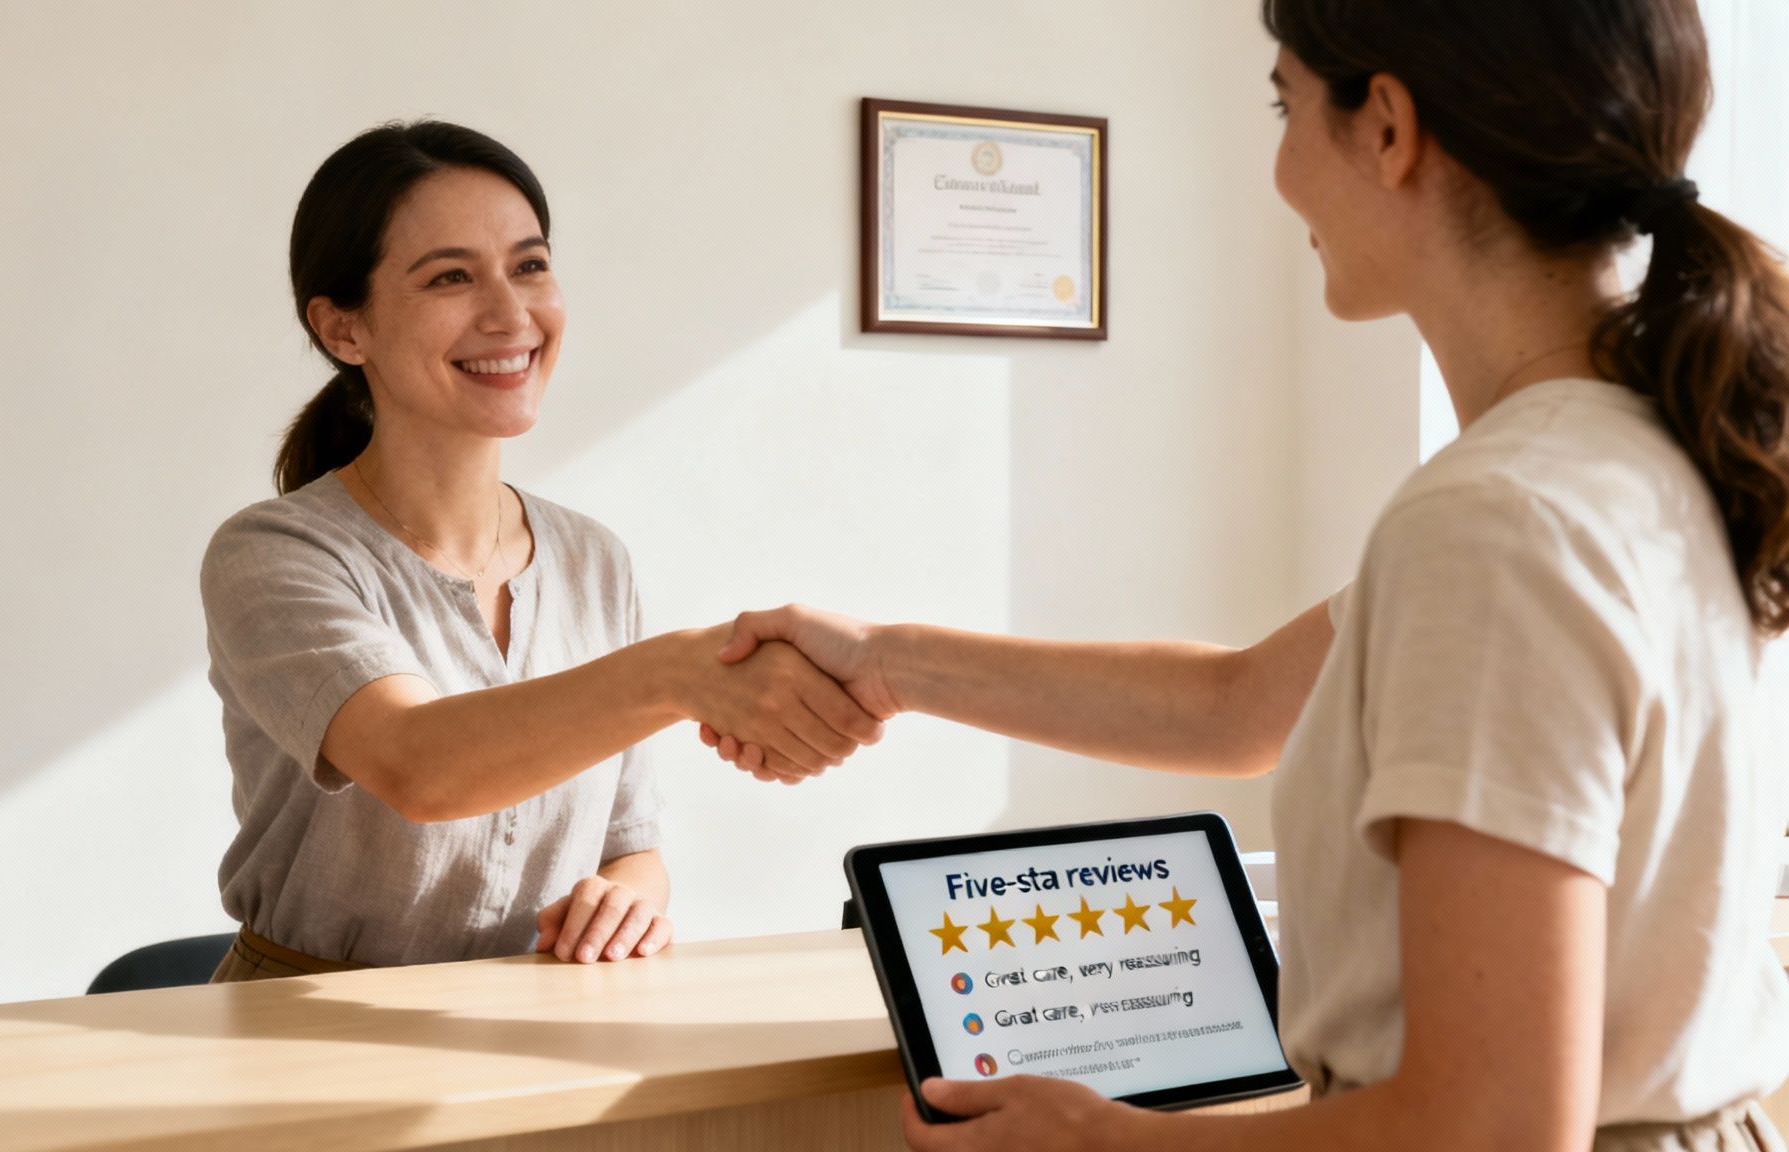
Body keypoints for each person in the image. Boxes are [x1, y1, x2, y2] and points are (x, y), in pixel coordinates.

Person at [708, 1, 1789, 1147]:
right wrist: (883, 663)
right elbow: (1237, 706)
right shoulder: (1641, 449)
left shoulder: (1496, 519)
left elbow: (1494, 1128)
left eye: (1283, 105)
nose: (1275, 171)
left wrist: (1104, 1141)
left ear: (1384, 127)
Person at [200, 121, 881, 982]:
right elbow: (421, 767)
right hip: (305, 1027)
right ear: (344, 330)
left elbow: (632, 844)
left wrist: (632, 896)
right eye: (451, 277)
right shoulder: (273, 554)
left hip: (540, 1019)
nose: (510, 314)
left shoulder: (593, 558)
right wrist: (679, 672)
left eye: (529, 265)